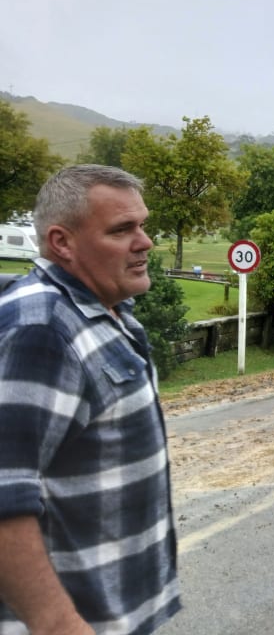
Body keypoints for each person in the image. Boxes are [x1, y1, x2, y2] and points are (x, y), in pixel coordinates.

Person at [0, 165, 180, 634]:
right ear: (62, 243)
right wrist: (57, 623)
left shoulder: (103, 311)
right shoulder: (42, 328)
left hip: (112, 612)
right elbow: (4, 492)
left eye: (142, 225)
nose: (145, 242)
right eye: (122, 230)